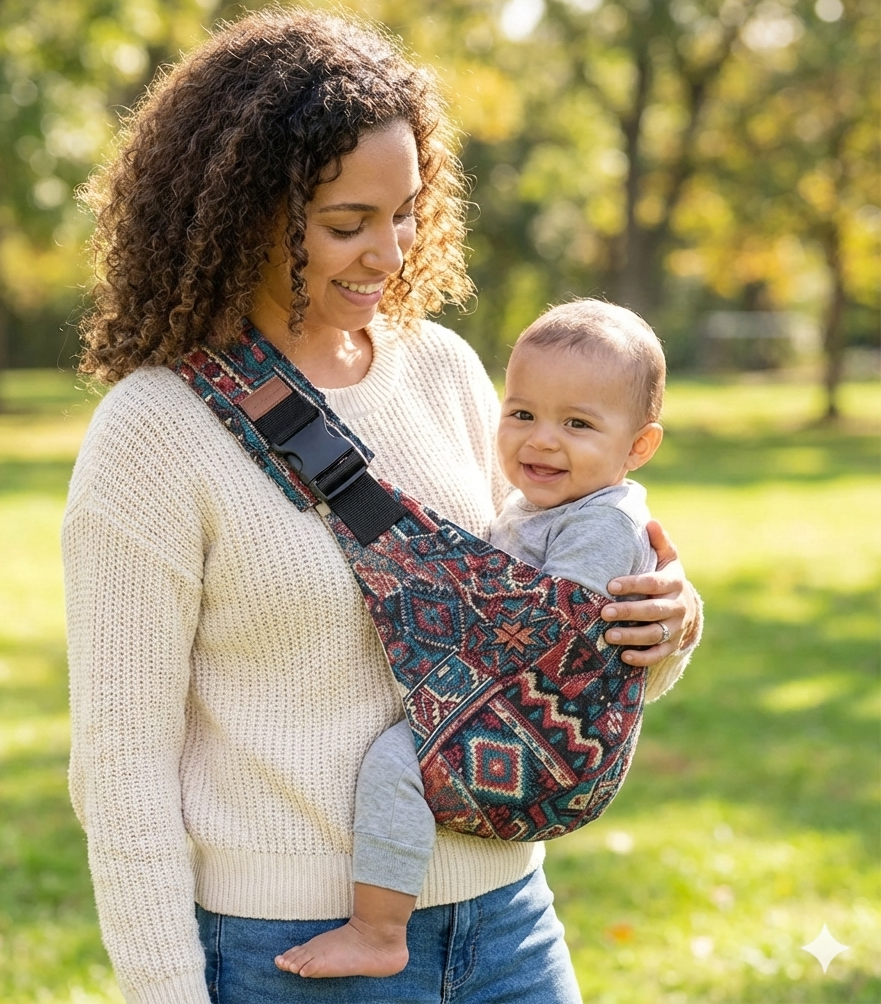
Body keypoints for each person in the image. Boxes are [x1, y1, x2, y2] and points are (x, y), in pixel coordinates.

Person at [63, 8, 702, 1004]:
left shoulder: (442, 371)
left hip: (507, 928)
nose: (390, 253)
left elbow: (528, 634)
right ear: (242, 216)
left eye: (405, 211)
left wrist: (660, 626)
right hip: (291, 956)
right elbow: (122, 768)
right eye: (346, 224)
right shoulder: (155, 432)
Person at [273, 299, 681, 981]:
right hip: (507, 710)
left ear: (638, 447)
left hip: (533, 723)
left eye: (577, 424)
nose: (541, 440)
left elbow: (557, 632)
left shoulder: (601, 524)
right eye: (522, 414)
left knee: (394, 766)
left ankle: (378, 930)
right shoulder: (542, 502)